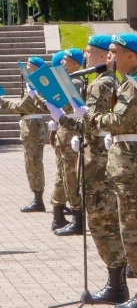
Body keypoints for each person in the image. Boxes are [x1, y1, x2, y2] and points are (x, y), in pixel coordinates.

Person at [76, 35, 137, 308]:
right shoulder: (128, 83)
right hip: (126, 160)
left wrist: (90, 118)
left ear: (130, 55)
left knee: (135, 228)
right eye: (109, 52)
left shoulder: (136, 83)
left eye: (114, 52)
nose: (109, 57)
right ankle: (125, 288)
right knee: (127, 226)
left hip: (134, 162)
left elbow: (120, 120)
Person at [51, 37, 128, 299]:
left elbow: (93, 123)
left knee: (103, 223)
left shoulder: (103, 83)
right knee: (102, 222)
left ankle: (117, 285)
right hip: (95, 159)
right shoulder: (102, 81)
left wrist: (62, 118)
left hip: (98, 163)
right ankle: (116, 281)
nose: (84, 54)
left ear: (101, 53)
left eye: (87, 50)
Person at [3, 56, 51, 213]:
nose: (26, 68)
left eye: (29, 66)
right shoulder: (34, 85)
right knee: (32, 163)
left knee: (33, 164)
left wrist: (1, 101)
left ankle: (38, 200)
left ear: (36, 69)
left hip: (32, 129)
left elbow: (18, 108)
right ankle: (37, 198)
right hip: (31, 127)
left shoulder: (36, 87)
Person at [47, 49, 84, 231]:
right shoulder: (72, 82)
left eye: (66, 61)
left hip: (67, 130)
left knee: (65, 174)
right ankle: (72, 214)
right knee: (69, 175)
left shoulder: (74, 81)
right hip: (68, 130)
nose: (62, 63)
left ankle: (59, 214)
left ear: (76, 64)